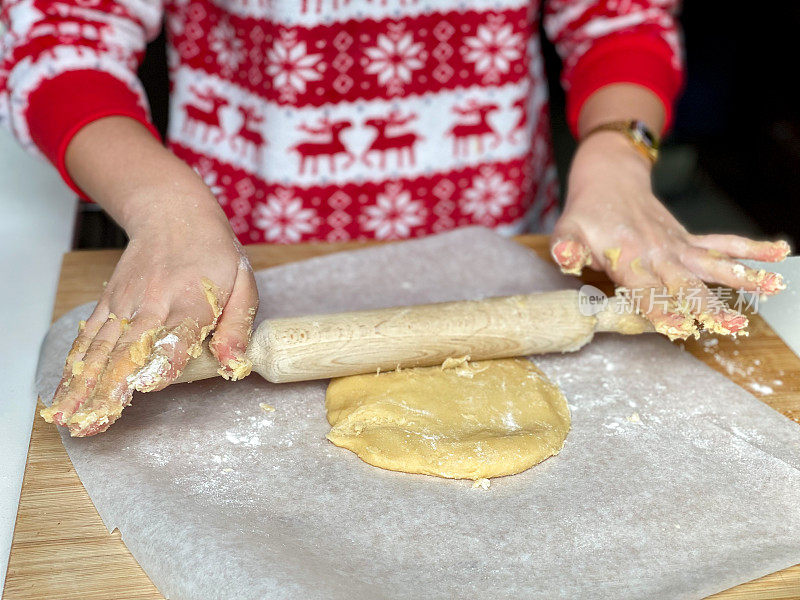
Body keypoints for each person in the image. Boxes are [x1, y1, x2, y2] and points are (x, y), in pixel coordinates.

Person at [1, 0, 788, 436]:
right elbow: (60, 33)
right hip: (235, 258)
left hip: (507, 240)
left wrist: (619, 153)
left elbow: (619, 17)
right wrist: (162, 206)